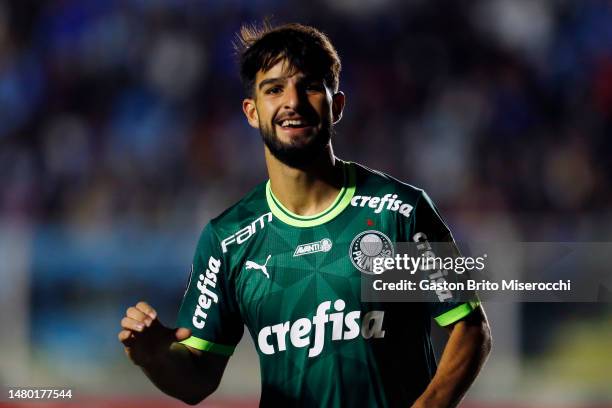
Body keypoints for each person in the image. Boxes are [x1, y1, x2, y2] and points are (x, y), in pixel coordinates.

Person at [118, 22, 492, 407]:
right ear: (251, 111)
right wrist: (152, 357)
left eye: (310, 86)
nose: (292, 102)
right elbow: (197, 379)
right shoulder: (228, 240)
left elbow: (468, 328)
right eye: (274, 89)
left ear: (337, 106)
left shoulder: (397, 213)